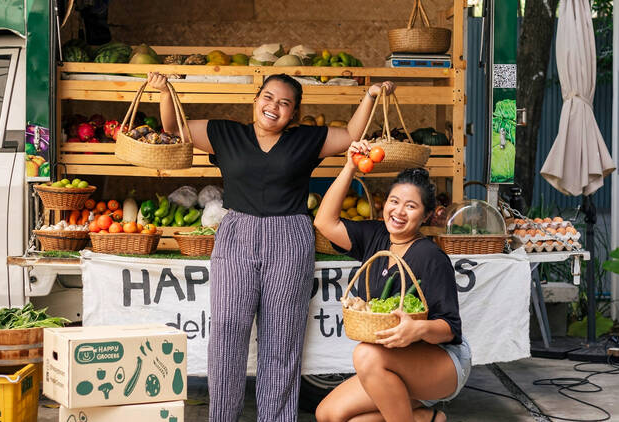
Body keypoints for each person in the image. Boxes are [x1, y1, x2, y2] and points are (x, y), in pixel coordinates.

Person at [147, 71, 395, 421]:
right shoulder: (225, 133)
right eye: (268, 97)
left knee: (282, 339)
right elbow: (174, 129)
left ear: (293, 113)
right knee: (227, 333)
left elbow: (352, 135)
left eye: (284, 103)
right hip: (237, 233)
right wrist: (163, 93)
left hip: (290, 236)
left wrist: (370, 95)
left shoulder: (306, 140)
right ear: (256, 100)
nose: (273, 106)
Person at [313, 152, 471, 422]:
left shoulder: (430, 257)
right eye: (394, 201)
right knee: (328, 415)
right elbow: (324, 222)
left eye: (411, 206)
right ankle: (426, 419)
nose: (398, 212)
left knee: (365, 354)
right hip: (393, 363)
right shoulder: (375, 236)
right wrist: (350, 166)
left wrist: (417, 328)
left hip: (441, 362)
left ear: (426, 215)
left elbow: (450, 329)